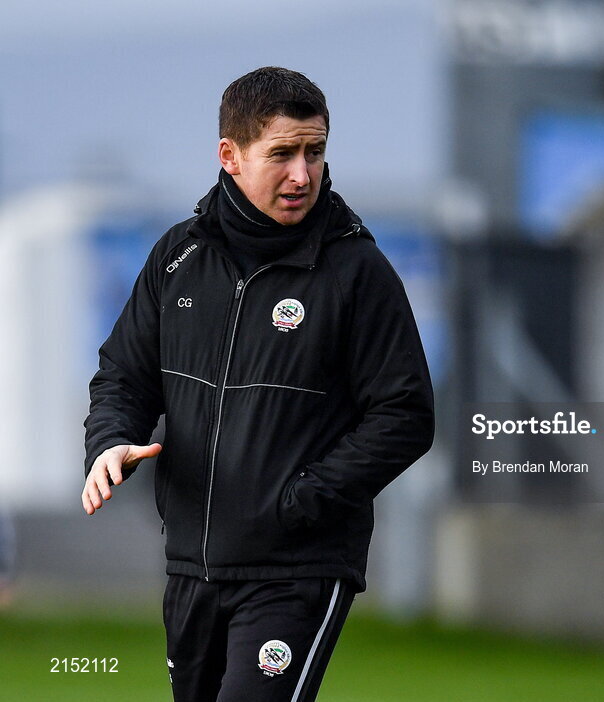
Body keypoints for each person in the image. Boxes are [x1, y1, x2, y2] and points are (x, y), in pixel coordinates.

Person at [82, 66, 434, 701]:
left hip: (296, 571)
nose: (303, 174)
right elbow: (123, 377)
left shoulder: (359, 272)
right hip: (192, 566)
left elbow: (405, 414)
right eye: (283, 153)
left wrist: (301, 499)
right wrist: (110, 441)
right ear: (230, 155)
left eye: (315, 151)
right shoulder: (176, 257)